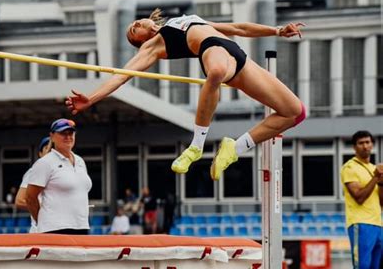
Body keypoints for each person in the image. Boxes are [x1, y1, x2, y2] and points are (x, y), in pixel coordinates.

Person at [66, 9, 306, 180]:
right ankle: (196, 146)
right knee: (216, 72)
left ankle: (235, 148)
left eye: (135, 23)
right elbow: (121, 75)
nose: (136, 26)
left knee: (295, 112)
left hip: (239, 58)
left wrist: (277, 30)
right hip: (213, 52)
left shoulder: (186, 19)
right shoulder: (153, 47)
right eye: (132, 32)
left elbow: (237, 28)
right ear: (141, 43)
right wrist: (92, 98)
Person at [26, 118, 92, 234]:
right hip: (55, 228)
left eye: (70, 133)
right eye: (63, 133)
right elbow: (30, 197)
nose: (68, 137)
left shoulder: (80, 161)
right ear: (52, 136)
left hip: (81, 226)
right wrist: (43, 222)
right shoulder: (45, 163)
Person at [340, 131, 383, 269]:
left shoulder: (373, 168)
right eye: (361, 143)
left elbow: (381, 201)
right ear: (354, 147)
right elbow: (359, 196)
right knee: (362, 266)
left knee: (373, 268)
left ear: (372, 145)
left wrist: (381, 181)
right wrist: (375, 177)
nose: (365, 146)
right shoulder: (349, 168)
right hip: (360, 224)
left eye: (368, 142)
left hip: (378, 223)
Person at [15, 136, 52, 232]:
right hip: (40, 230)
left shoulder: (63, 172)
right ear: (40, 154)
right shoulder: (34, 171)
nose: (50, 151)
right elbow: (20, 201)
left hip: (60, 228)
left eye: (53, 149)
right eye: (46, 148)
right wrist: (46, 207)